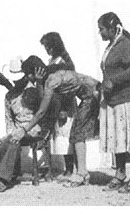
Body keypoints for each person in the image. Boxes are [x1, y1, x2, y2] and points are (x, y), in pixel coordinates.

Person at [11, 55, 100, 187]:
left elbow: (41, 111)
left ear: (36, 71)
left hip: (93, 95)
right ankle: (82, 173)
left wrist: (24, 130)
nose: (28, 78)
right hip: (89, 95)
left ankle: (82, 174)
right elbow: (46, 103)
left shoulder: (52, 80)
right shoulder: (49, 78)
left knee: (77, 134)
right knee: (77, 134)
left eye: (28, 74)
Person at [0, 76, 58, 193]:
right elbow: (9, 119)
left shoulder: (34, 91)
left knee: (15, 140)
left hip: (35, 129)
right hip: (18, 130)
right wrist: (11, 134)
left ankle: (3, 179)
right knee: (6, 142)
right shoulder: (10, 96)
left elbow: (43, 113)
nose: (17, 82)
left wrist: (42, 132)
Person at [97, 12, 130, 193]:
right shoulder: (112, 45)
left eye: (101, 29)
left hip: (126, 99)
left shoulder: (125, 44)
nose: (100, 33)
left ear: (111, 28)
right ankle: (120, 173)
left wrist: (114, 81)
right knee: (117, 139)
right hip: (112, 100)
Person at [40, 32, 77, 180]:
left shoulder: (64, 62)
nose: (47, 50)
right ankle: (68, 169)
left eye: (48, 46)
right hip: (56, 102)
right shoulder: (52, 60)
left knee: (66, 137)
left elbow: (69, 85)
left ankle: (70, 169)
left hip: (65, 102)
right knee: (60, 139)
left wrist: (64, 108)